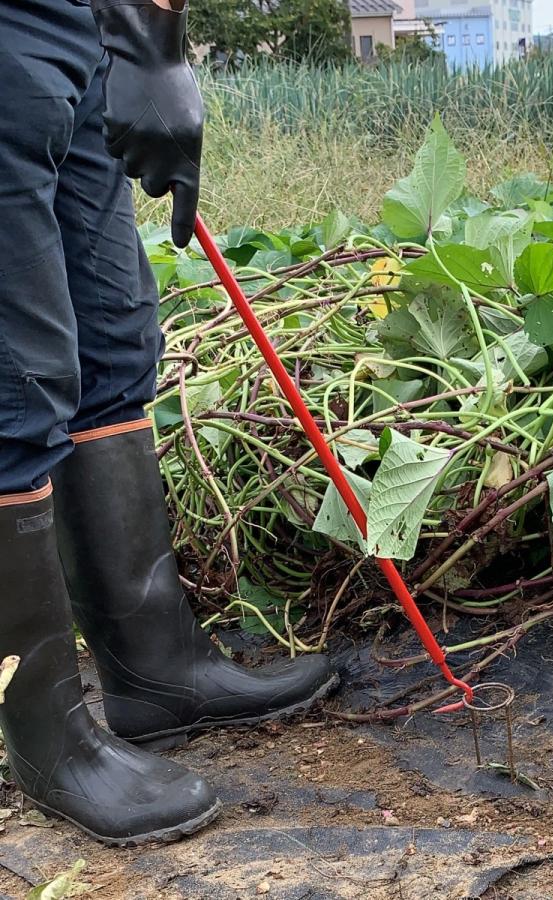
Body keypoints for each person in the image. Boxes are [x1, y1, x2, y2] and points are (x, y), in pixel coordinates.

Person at [0, 0, 337, 847]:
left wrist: (151, 39)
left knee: (114, 346)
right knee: (18, 382)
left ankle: (157, 672)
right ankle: (48, 741)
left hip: (72, 27)